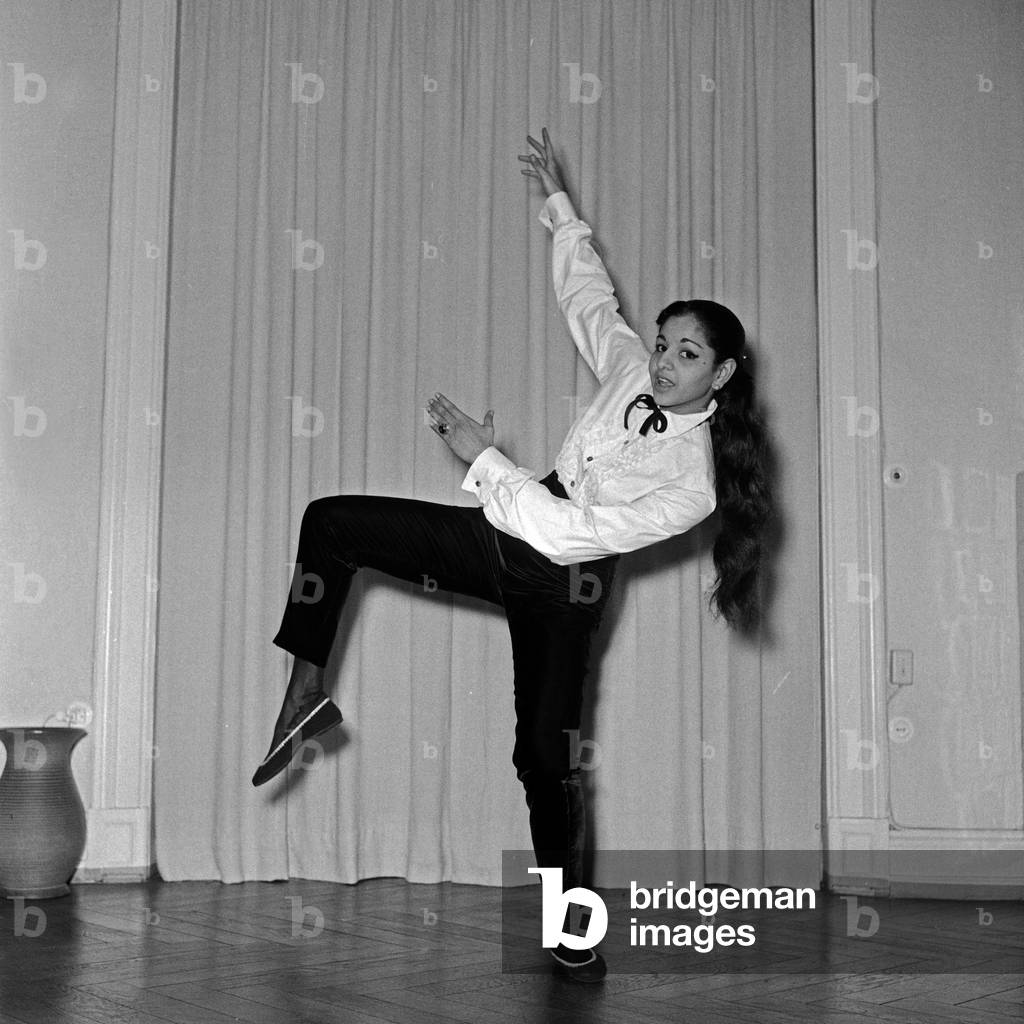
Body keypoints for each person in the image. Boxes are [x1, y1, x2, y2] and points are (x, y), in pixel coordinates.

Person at [252, 129, 773, 983]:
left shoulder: (696, 485)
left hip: (563, 579)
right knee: (332, 522)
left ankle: (573, 929)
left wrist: (481, 460)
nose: (665, 362)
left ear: (721, 374)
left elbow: (572, 537)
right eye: (663, 343)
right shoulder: (626, 373)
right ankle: (307, 692)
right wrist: (558, 206)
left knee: (544, 759)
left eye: (688, 354)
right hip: (509, 523)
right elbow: (590, 300)